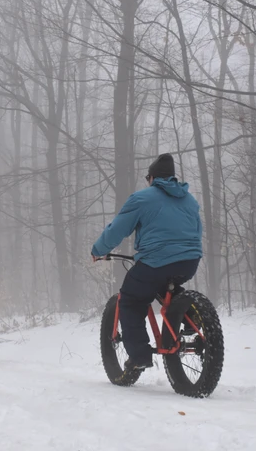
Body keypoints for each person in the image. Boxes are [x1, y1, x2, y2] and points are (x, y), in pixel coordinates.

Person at [91, 154, 202, 373]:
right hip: (190, 261)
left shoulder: (142, 198)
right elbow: (196, 232)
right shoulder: (190, 200)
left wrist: (98, 250)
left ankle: (139, 356)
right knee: (167, 287)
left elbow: (117, 230)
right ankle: (191, 314)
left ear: (151, 178)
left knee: (131, 300)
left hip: (156, 262)